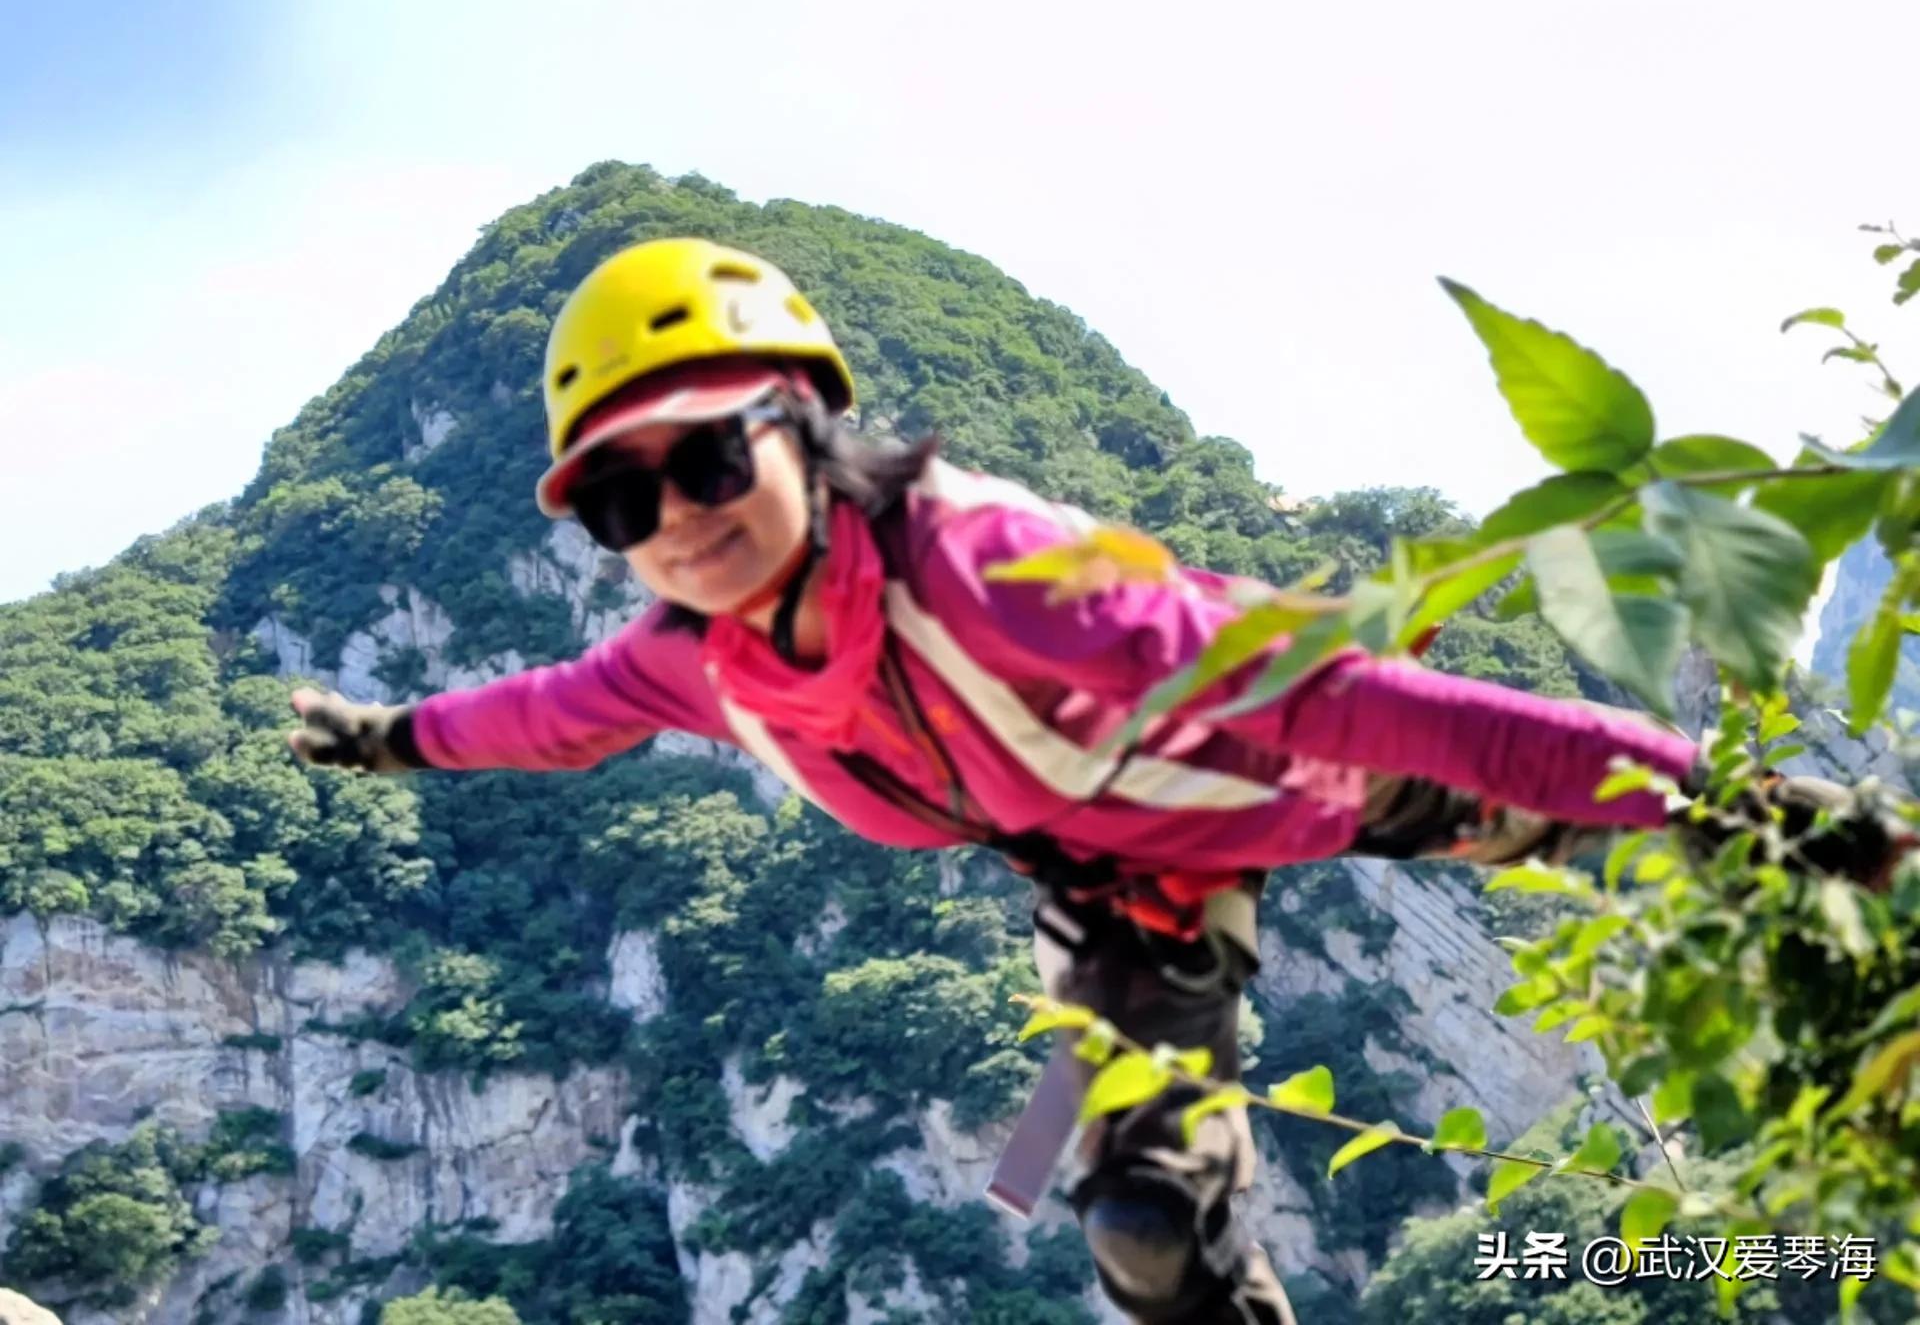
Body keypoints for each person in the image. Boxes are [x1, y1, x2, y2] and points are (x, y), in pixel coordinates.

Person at [287, 238, 1908, 1325]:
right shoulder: (695, 659)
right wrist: (382, 738)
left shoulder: (1001, 572)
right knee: (1143, 1238)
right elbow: (543, 714)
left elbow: (1376, 700)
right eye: (625, 502)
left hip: (1297, 765)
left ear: (802, 431)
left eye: (712, 458)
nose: (682, 516)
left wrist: (1712, 801)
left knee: (1671, 848)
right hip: (1124, 899)